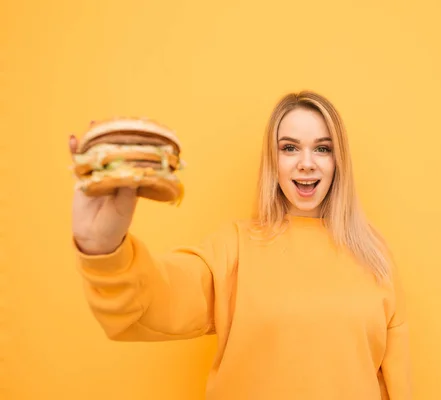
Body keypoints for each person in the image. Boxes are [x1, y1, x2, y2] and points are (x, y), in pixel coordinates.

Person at [69, 90, 412, 399]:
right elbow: (159, 296)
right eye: (289, 148)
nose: (306, 162)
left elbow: (396, 384)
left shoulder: (375, 255)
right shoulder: (234, 247)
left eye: (322, 148)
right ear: (272, 161)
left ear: (339, 162)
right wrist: (102, 247)